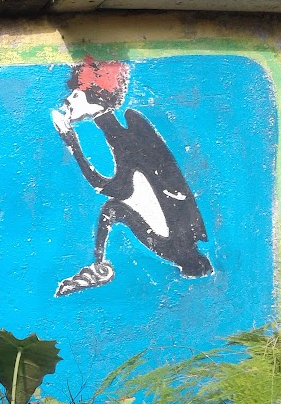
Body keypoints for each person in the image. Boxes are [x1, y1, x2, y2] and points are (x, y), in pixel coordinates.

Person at [51, 57, 212, 297]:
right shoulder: (117, 130)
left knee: (111, 206)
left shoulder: (130, 132)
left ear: (94, 95)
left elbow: (112, 187)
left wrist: (72, 142)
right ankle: (99, 266)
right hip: (168, 241)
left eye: (76, 94)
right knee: (111, 209)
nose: (68, 100)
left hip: (171, 240)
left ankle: (101, 268)